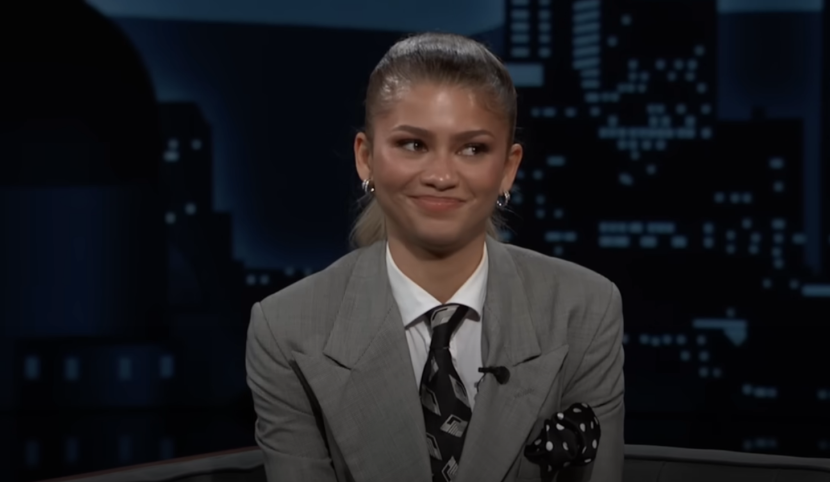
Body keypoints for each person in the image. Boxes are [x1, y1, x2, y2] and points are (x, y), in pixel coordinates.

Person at [245, 32, 624, 482]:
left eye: (472, 149)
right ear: (366, 158)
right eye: (413, 145)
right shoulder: (285, 331)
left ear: (507, 168)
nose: (442, 175)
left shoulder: (585, 310)